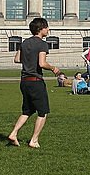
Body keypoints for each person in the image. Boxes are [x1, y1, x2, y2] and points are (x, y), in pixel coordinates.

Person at [7, 17, 60, 148]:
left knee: (27, 111)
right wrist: (53, 68)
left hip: (24, 81)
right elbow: (42, 63)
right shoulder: (42, 44)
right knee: (43, 112)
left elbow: (17, 59)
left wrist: (28, 60)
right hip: (36, 81)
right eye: (47, 27)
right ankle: (34, 140)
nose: (48, 30)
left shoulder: (24, 43)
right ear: (41, 29)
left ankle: (13, 133)